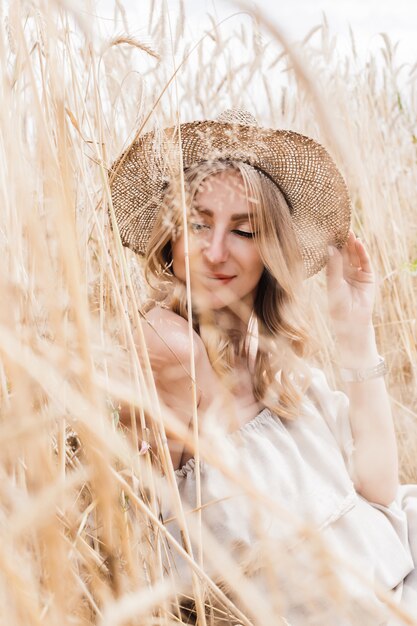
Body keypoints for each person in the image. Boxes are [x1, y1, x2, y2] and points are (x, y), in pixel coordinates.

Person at [110, 110, 417, 625]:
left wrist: (356, 333)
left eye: (244, 231)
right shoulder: (166, 347)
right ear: (170, 237)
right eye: (197, 224)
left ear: (270, 250)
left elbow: (380, 491)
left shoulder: (277, 364)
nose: (214, 251)